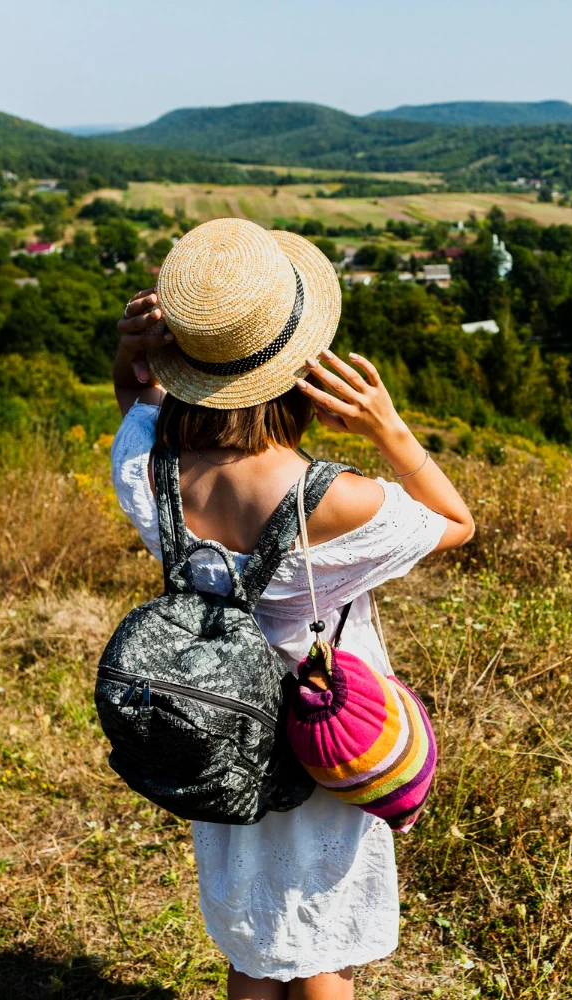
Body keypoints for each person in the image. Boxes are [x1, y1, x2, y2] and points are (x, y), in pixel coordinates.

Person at [107, 218, 473, 1000]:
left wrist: (132, 368)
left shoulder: (151, 467)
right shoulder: (337, 500)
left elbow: (137, 413)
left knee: (254, 943)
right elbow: (457, 524)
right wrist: (390, 429)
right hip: (320, 730)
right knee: (322, 946)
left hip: (215, 723)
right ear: (299, 369)